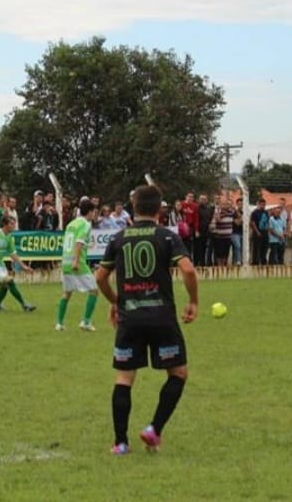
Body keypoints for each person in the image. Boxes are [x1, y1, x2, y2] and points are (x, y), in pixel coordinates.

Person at [94, 186, 199, 455]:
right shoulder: (166, 236)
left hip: (130, 318)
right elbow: (187, 269)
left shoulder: (118, 238)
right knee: (178, 373)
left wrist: (115, 301)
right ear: (158, 210)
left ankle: (120, 443)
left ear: (133, 207)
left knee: (124, 377)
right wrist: (193, 301)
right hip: (162, 316)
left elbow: (100, 278)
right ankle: (154, 429)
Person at [56, 198, 99, 331]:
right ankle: (85, 322)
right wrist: (76, 261)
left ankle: (59, 323)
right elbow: (79, 242)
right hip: (77, 262)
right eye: (94, 212)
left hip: (66, 262)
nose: (94, 215)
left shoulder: (71, 223)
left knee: (67, 293)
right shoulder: (86, 224)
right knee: (94, 290)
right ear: (90, 212)